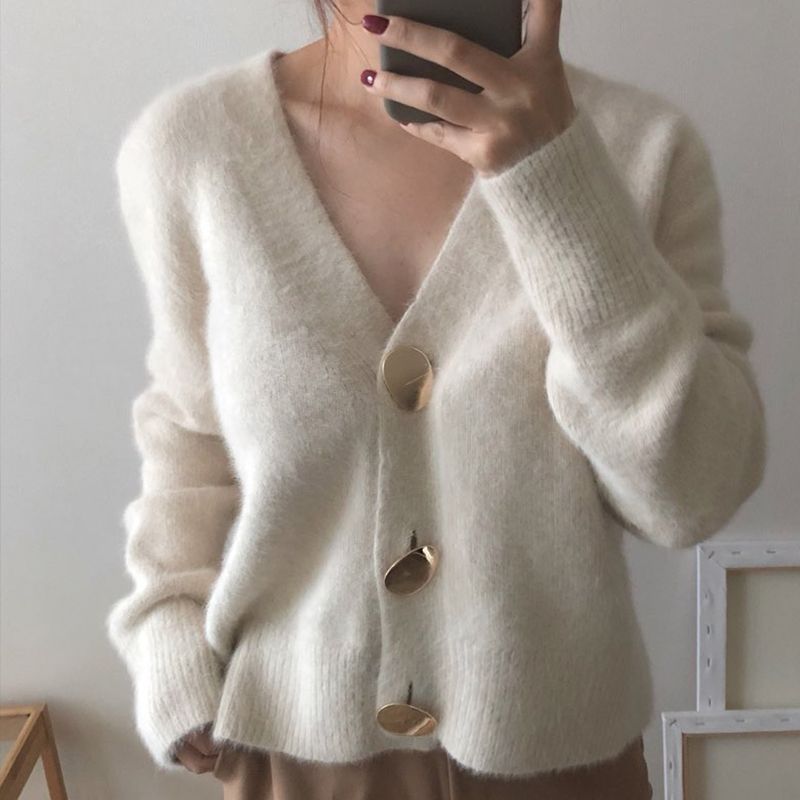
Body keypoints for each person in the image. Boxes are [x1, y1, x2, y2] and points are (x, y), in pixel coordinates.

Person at [106, 1, 767, 798]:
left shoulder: (642, 149)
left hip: (560, 757)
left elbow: (690, 494)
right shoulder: (196, 146)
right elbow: (189, 430)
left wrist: (555, 178)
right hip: (295, 753)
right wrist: (167, 636)